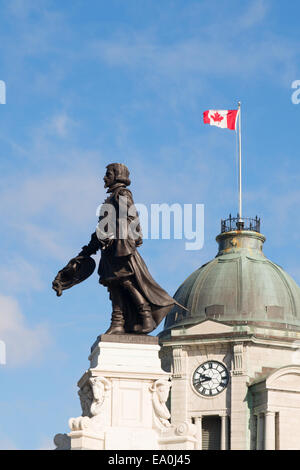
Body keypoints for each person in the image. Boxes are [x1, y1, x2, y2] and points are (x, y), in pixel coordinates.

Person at [53, 163, 177, 335]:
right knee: (113, 284)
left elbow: (131, 216)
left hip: (121, 247)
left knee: (125, 281)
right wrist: (86, 252)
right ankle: (117, 322)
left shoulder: (122, 193)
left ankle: (146, 315)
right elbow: (101, 230)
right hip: (109, 250)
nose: (104, 178)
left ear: (117, 175)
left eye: (108, 174)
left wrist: (132, 237)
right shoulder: (109, 200)